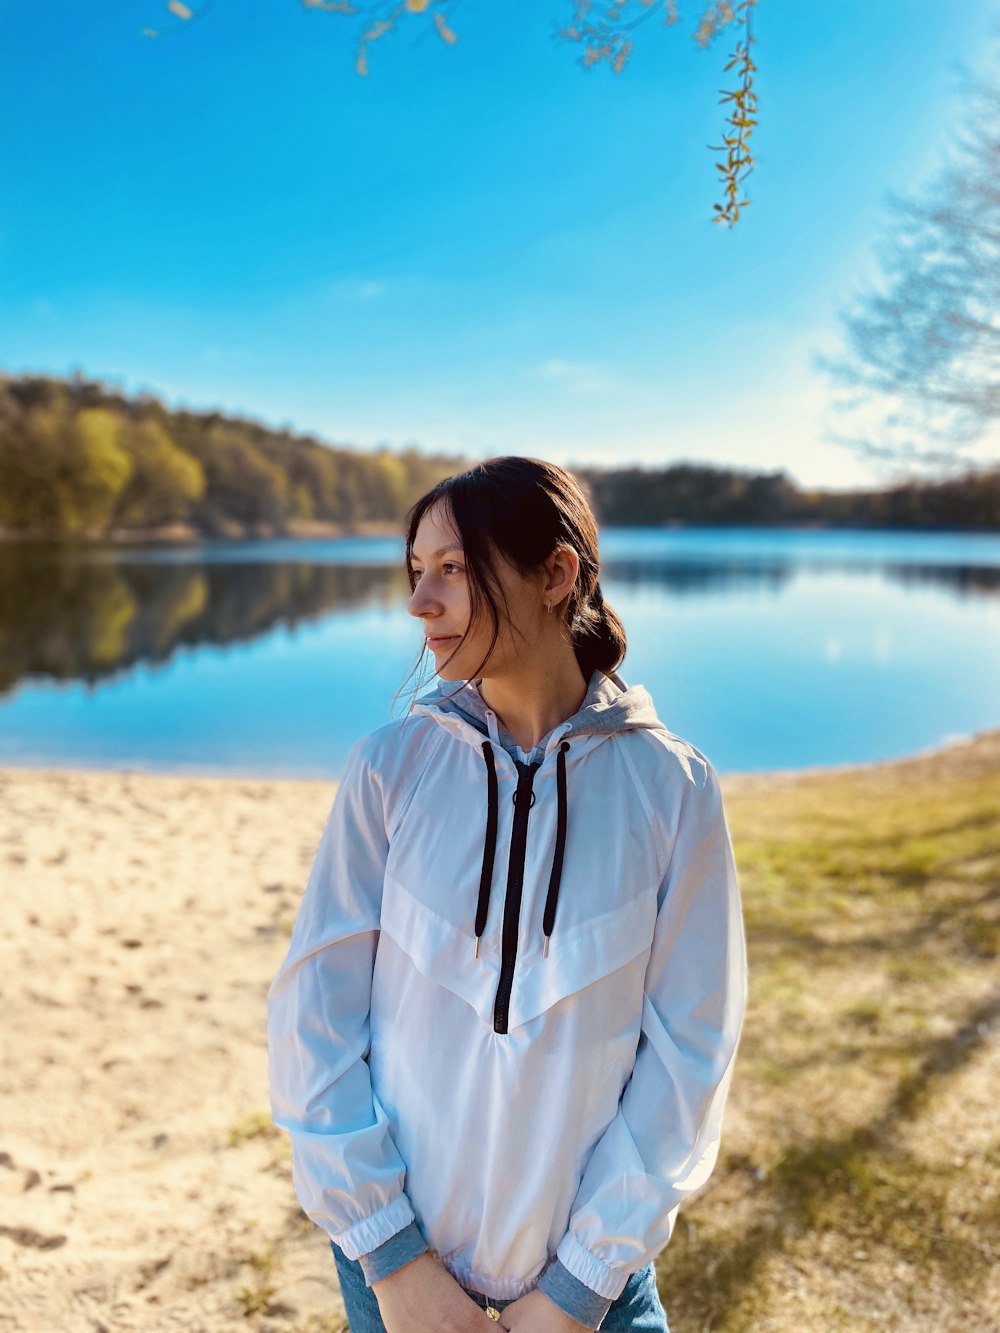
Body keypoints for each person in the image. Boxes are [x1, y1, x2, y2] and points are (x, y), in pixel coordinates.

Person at [267, 456, 749, 1333]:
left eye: (452, 568)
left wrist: (576, 1289)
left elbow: (690, 1053)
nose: (421, 602)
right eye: (416, 572)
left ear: (557, 574)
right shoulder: (390, 767)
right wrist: (393, 1259)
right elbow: (315, 1017)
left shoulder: (673, 788)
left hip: (595, 1292)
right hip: (396, 1273)